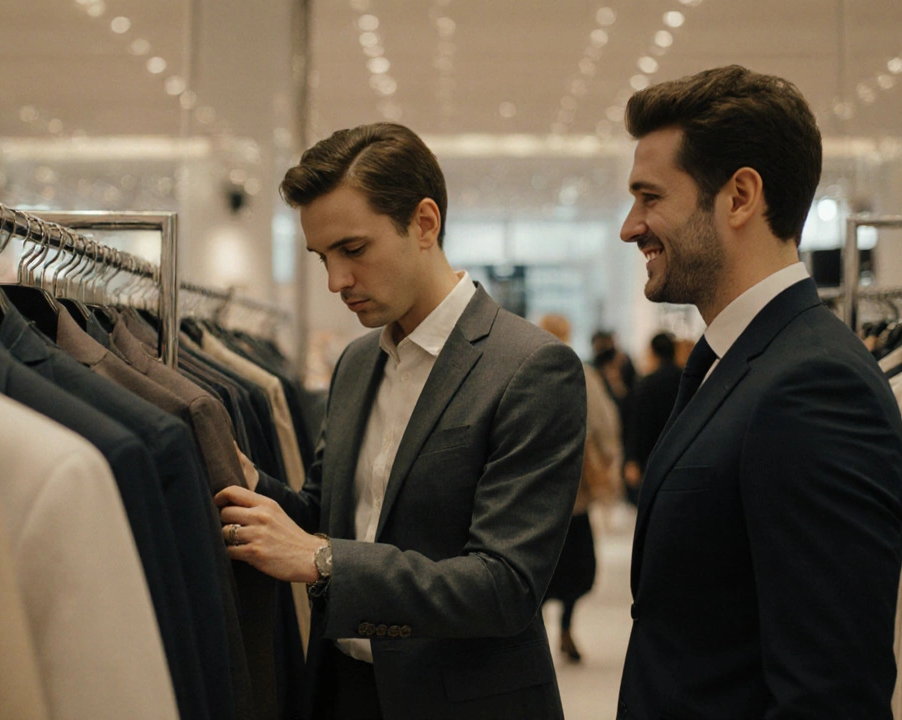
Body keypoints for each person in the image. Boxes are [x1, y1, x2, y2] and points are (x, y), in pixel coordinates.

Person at [213, 123, 587, 720]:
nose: (336, 281)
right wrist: (251, 481)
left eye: (353, 250)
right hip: (343, 692)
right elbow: (326, 514)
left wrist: (322, 561)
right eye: (322, 257)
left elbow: (504, 585)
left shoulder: (532, 367)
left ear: (424, 223)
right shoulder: (358, 362)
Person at [615, 65, 902, 719]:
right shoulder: (737, 360)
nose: (630, 226)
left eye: (650, 197)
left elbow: (830, 694)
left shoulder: (814, 389)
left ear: (741, 196)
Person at [537, 314, 622, 663]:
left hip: (537, 493)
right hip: (575, 491)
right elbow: (604, 422)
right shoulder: (581, 373)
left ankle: (539, 633)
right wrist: (608, 457)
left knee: (538, 567)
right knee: (576, 567)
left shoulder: (523, 370)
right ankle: (567, 629)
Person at [622, 332, 682, 505]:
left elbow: (638, 423)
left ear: (653, 352)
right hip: (679, 450)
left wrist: (632, 459)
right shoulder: (686, 378)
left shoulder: (647, 383)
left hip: (651, 454)